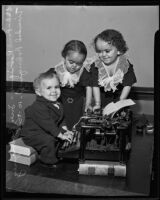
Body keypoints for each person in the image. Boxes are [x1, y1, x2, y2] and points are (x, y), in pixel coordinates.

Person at [20, 70, 73, 167]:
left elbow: (61, 119)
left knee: (57, 139)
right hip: (32, 134)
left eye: (56, 87)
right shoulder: (38, 107)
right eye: (49, 88)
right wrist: (60, 134)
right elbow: (48, 124)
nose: (54, 91)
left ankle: (56, 153)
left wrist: (65, 130)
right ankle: (47, 161)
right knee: (48, 140)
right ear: (38, 92)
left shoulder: (58, 104)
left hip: (45, 130)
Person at [47, 40, 96, 131]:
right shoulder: (58, 70)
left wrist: (88, 104)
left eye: (79, 63)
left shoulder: (83, 72)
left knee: (75, 121)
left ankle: (73, 137)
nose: (74, 66)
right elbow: (46, 82)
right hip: (60, 100)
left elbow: (88, 87)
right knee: (60, 119)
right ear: (65, 57)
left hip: (77, 102)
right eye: (71, 62)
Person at [87, 29, 137, 110]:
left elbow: (128, 84)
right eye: (99, 51)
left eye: (107, 51)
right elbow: (95, 85)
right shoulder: (96, 66)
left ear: (119, 50)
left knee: (121, 118)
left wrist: (121, 102)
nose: (103, 55)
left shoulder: (124, 65)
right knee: (104, 117)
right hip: (102, 98)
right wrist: (97, 103)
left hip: (121, 96)